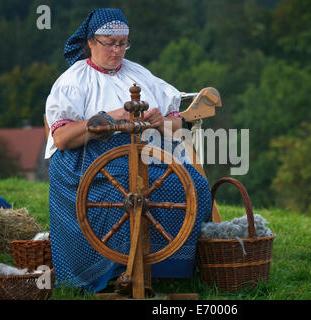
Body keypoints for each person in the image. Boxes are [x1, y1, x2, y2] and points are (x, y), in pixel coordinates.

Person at [45, 8, 212, 293]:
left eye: (123, 43)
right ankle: (118, 269)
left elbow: (178, 129)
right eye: (110, 43)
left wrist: (161, 122)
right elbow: (60, 138)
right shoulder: (73, 82)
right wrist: (111, 117)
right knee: (128, 187)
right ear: (91, 42)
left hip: (144, 156)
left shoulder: (140, 75)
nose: (117, 50)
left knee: (194, 184)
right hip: (89, 164)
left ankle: (162, 269)